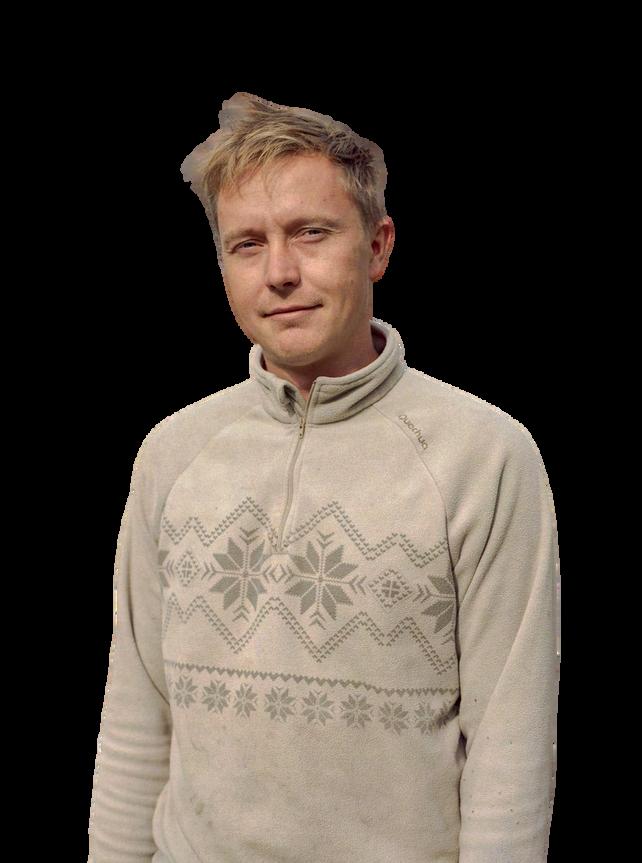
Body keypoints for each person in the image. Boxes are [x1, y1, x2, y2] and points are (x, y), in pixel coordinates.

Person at [88, 92, 560, 863]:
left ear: (377, 246)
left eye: (311, 232)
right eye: (247, 243)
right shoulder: (172, 452)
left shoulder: (483, 455)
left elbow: (511, 747)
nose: (280, 272)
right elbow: (138, 714)